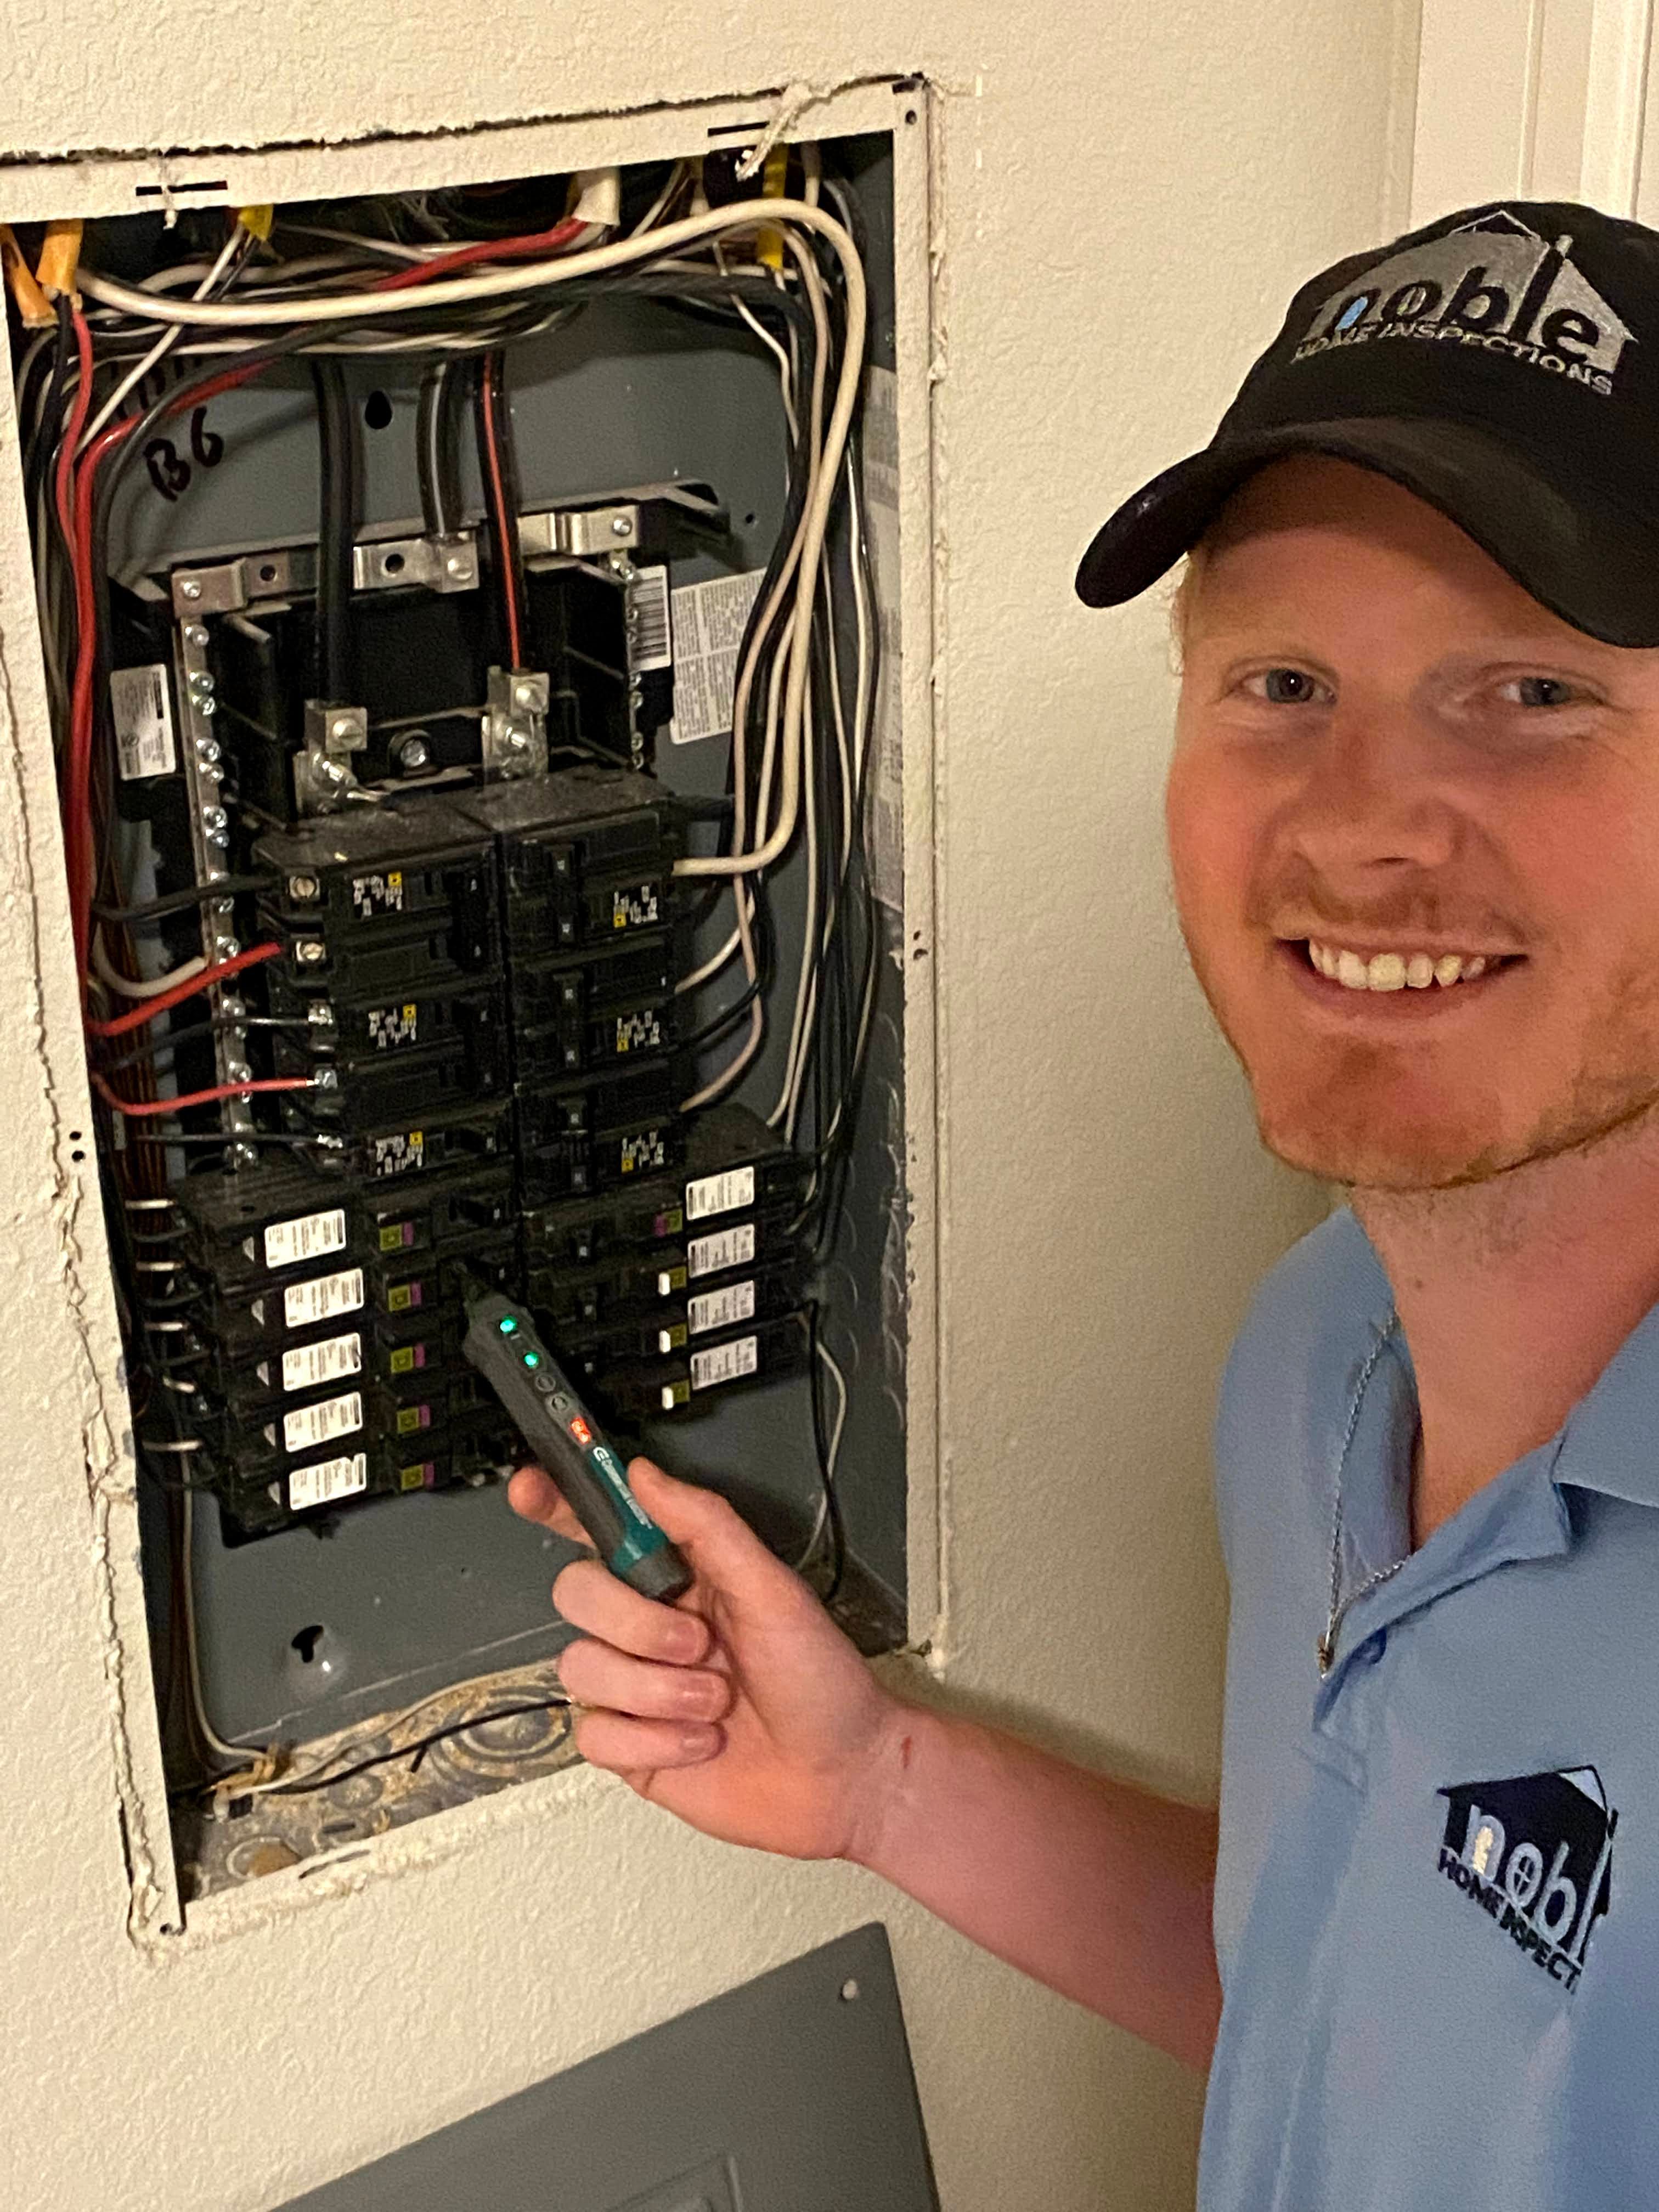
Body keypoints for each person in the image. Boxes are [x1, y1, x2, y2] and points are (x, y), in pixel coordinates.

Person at [511, 198, 1659, 2205]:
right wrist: (883, 1783)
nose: (1366, 824)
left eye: (1533, 693)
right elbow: (1369, 2005)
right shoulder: (1320, 1359)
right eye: (1283, 684)